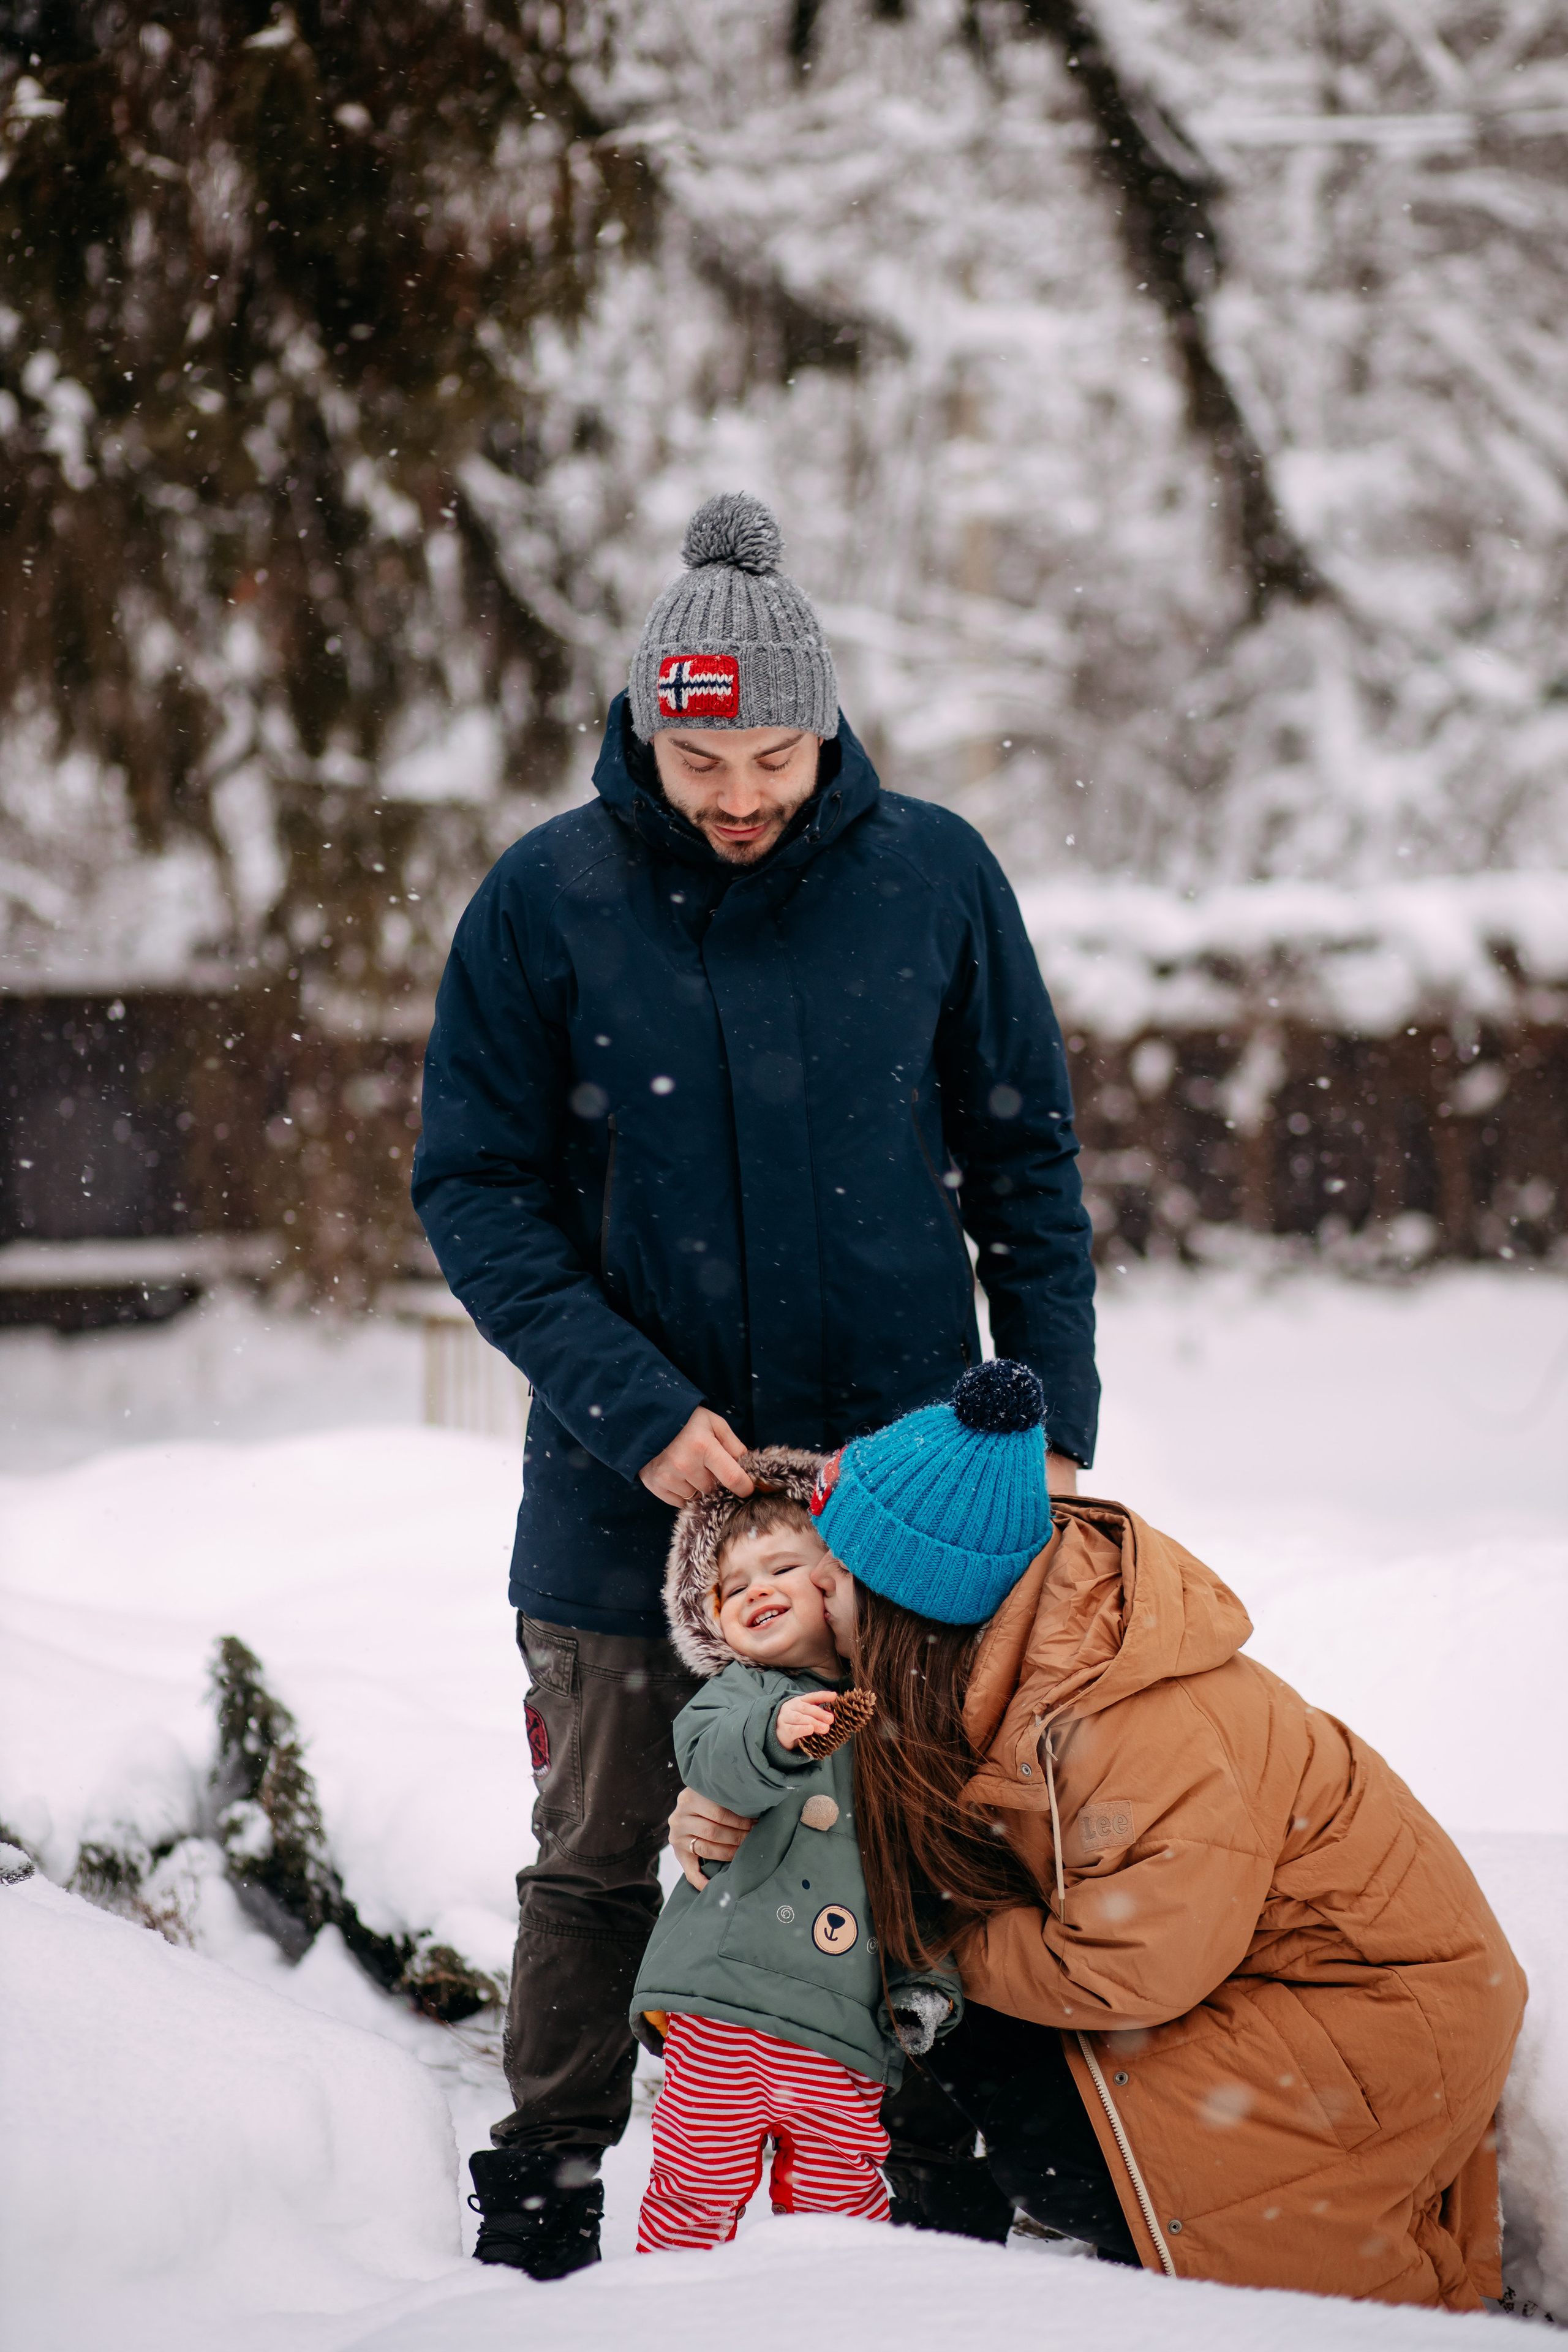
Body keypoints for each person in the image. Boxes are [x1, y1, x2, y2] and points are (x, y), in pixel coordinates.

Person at [412, 491, 1096, 2275]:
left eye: (772, 751)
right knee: (604, 1852)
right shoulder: (546, 898)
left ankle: (927, 2181)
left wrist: (1051, 1434)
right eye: (697, 748)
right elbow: (470, 1186)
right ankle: (553, 2186)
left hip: (901, 1486)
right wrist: (633, 1408)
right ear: (643, 725)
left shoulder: (934, 876)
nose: (735, 792)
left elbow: (1026, 1167)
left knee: (920, 1844)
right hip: (619, 1489)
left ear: (827, 725)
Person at [676, 1357, 1527, 2309]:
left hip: (1366, 2020)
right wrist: (731, 1798)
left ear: (907, 1604)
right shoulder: (986, 1642)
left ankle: (1130, 2237)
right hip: (1252, 1980)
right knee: (940, 1985)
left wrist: (932, 1938)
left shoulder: (1133, 1719)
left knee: (1006, 2083)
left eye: (832, 1580)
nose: (810, 1601)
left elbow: (1132, 1968)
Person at [631, 1446, 959, 2252]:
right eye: (733, 1586)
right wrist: (773, 1735)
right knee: (696, 2190)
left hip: (842, 2030)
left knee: (841, 2203)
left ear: (838, 1582)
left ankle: (829, 2320)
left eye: (781, 1567)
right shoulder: (740, 1695)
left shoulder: (900, 1725)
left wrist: (924, 1983)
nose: (756, 1591)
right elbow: (711, 1757)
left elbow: (921, 1877)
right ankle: (663, 2314)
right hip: (724, 2009)